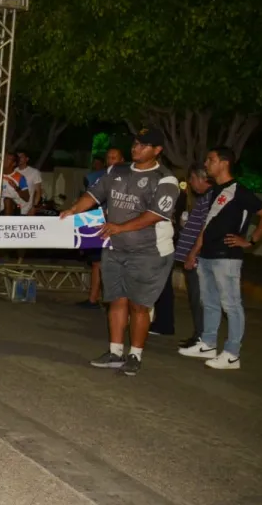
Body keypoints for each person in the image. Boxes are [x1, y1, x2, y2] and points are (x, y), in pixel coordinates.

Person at [60, 127, 180, 377]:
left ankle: (135, 355)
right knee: (116, 300)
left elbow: (155, 215)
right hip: (114, 248)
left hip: (148, 252)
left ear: (157, 150)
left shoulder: (165, 179)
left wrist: (120, 227)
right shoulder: (117, 171)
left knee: (139, 305)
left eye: (143, 145)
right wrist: (73, 210)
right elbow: (93, 195)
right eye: (135, 143)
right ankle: (115, 353)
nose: (136, 148)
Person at [178, 146, 262, 370]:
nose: (206, 164)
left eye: (210, 160)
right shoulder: (215, 190)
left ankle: (232, 354)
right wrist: (194, 251)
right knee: (209, 302)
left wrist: (250, 241)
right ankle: (208, 344)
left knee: (231, 305)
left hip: (227, 257)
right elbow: (208, 224)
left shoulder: (238, 190)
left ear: (224, 163)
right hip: (207, 254)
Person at [153, 167, 212, 343]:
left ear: (201, 178)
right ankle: (199, 336)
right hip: (190, 254)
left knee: (199, 298)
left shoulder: (209, 198)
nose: (191, 184)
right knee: (195, 297)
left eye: (192, 179)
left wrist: (193, 253)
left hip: (196, 257)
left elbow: (206, 228)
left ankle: (202, 338)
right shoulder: (203, 198)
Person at [78, 147, 124, 309]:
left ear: (122, 161)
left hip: (121, 228)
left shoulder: (130, 179)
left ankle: (113, 300)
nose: (111, 161)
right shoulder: (97, 178)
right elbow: (89, 200)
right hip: (100, 224)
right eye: (109, 158)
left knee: (114, 265)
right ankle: (93, 299)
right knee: (97, 263)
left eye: (115, 158)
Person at [15, 150, 43, 215]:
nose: (19, 158)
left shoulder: (34, 172)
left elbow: (38, 192)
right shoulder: (13, 171)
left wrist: (34, 207)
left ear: (27, 159)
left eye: (21, 157)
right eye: (17, 157)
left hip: (26, 210)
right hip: (12, 209)